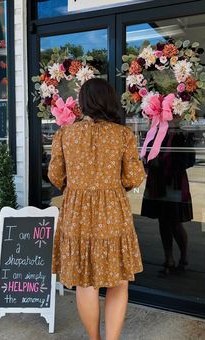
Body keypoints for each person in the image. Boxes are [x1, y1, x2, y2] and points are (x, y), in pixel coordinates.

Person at [48, 78, 146, 340]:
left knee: (84, 280)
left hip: (76, 212)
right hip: (112, 210)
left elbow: (55, 175)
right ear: (110, 101)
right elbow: (134, 176)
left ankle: (95, 338)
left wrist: (79, 184)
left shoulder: (65, 134)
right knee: (119, 280)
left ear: (83, 104)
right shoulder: (122, 135)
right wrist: (112, 185)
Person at [141, 128, 195, 275]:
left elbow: (190, 160)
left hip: (174, 180)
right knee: (163, 221)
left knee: (175, 222)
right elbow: (145, 153)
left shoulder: (182, 133)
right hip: (157, 179)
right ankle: (169, 259)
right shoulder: (153, 131)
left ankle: (183, 258)